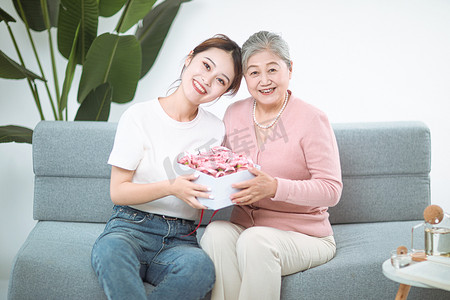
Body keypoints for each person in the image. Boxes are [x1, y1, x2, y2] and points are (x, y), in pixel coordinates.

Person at [91, 34, 243, 300]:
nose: (207, 81)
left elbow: (210, 190)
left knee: (200, 269)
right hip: (129, 228)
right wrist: (171, 187)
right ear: (189, 58)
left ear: (225, 92)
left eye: (221, 80)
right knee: (110, 252)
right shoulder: (138, 117)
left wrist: (213, 194)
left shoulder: (216, 130)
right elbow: (118, 192)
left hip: (181, 239)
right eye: (206, 65)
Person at [200, 31, 343, 300]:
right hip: (245, 228)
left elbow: (331, 190)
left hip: (304, 235)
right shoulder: (235, 113)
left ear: (289, 69)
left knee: (255, 243)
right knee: (216, 233)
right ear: (245, 79)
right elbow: (228, 168)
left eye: (272, 69)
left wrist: (274, 187)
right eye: (253, 73)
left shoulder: (312, 119)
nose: (264, 80)